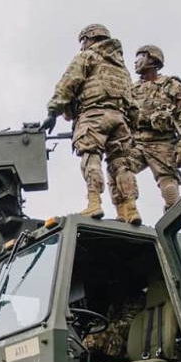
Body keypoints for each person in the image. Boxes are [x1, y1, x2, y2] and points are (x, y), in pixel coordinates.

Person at [41, 24, 142, 224]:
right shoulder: (121, 68)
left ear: (90, 38)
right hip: (120, 119)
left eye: (83, 41)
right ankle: (130, 208)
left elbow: (68, 84)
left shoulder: (88, 57)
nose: (82, 47)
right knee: (122, 165)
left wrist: (53, 113)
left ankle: (94, 203)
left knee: (91, 156)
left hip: (93, 116)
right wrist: (131, 127)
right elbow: (133, 105)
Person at [130, 45, 181, 209]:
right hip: (136, 143)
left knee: (168, 184)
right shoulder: (131, 90)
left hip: (163, 143)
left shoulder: (172, 86)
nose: (136, 63)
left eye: (140, 58)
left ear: (152, 59)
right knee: (119, 168)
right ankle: (127, 211)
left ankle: (174, 220)